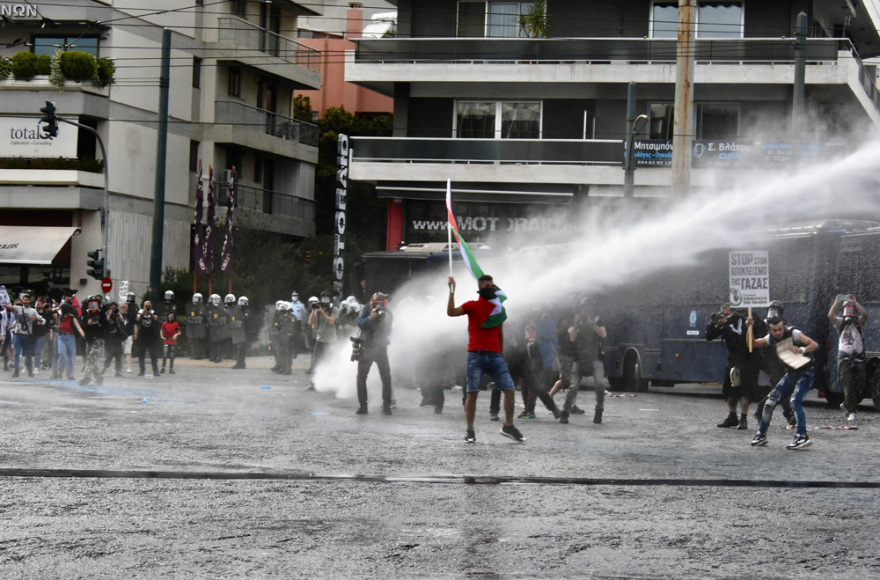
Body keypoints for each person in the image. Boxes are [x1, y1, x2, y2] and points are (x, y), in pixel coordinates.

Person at [447, 274, 524, 444]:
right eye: (487, 286)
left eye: (492, 286)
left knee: (509, 391)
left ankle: (508, 426)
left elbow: (500, 333)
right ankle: (469, 430)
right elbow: (451, 312)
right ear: (480, 289)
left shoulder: (498, 310)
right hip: (475, 356)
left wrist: (501, 355)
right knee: (472, 393)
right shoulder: (472, 306)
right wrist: (452, 291)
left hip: (495, 356)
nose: (490, 288)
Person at [747, 316, 819, 450]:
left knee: (795, 401)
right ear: (770, 329)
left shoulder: (794, 333)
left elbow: (814, 345)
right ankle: (761, 435)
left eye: (780, 329)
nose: (778, 333)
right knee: (770, 402)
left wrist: (802, 350)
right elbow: (752, 344)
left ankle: (802, 436)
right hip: (792, 373)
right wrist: (749, 327)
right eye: (774, 330)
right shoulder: (770, 338)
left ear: (783, 327)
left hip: (806, 373)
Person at [706, 303, 761, 431]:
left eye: (725, 313)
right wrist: (714, 323)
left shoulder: (741, 319)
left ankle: (743, 418)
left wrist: (727, 323)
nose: (724, 316)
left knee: (744, 390)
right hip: (734, 359)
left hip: (747, 359)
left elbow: (739, 337)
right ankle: (732, 416)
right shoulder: (726, 322)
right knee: (730, 389)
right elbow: (709, 336)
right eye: (722, 313)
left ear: (732, 311)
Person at [552, 303, 609, 425]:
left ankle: (599, 410)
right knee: (574, 386)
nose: (586, 312)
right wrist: (577, 323)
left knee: (600, 384)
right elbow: (573, 338)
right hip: (580, 357)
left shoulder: (597, 320)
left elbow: (603, 334)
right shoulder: (576, 321)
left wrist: (592, 324)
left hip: (595, 357)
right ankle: (565, 412)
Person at [829, 294, 868, 422]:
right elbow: (830, 316)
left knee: (861, 383)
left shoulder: (858, 322)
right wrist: (836, 302)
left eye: (851, 310)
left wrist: (855, 303)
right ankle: (851, 411)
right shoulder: (840, 323)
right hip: (845, 358)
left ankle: (846, 404)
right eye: (847, 310)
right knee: (848, 384)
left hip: (858, 357)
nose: (849, 313)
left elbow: (865, 315)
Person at [355, 292, 394, 415]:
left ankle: (387, 406)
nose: (378, 305)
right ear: (372, 301)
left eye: (381, 302)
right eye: (376, 302)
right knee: (361, 377)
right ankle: (363, 406)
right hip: (366, 348)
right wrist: (370, 318)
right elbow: (360, 323)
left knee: (386, 377)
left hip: (381, 349)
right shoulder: (367, 308)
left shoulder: (388, 312)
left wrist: (387, 322)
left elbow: (389, 332)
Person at [307, 293, 339, 388]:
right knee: (316, 361)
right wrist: (314, 310)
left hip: (331, 340)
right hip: (320, 339)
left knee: (330, 362)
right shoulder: (319, 308)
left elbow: (331, 321)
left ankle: (331, 383)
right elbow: (310, 321)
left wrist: (323, 312)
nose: (324, 301)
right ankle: (314, 383)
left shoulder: (334, 309)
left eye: (326, 299)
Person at [11, 294, 45, 378]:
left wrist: (35, 318)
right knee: (17, 353)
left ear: (30, 301)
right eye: (25, 300)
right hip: (18, 334)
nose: (26, 301)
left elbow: (43, 321)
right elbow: (9, 308)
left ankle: (30, 370)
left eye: (28, 300)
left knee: (28, 354)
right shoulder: (18, 309)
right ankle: (16, 370)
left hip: (27, 335)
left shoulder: (33, 311)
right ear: (22, 301)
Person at [79, 295, 106, 386]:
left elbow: (106, 325)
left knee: (91, 358)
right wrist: (88, 323)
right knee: (91, 361)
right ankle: (99, 378)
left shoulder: (102, 313)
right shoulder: (85, 314)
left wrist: (100, 325)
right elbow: (82, 325)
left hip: (98, 340)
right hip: (89, 340)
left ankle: (86, 377)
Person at [54, 295, 82, 380]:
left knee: (71, 356)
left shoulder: (72, 318)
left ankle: (70, 375)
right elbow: (58, 327)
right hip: (61, 336)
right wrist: (55, 327)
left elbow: (78, 328)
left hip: (71, 337)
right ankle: (60, 371)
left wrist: (84, 336)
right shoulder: (61, 317)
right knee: (62, 355)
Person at [134, 300, 161, 377]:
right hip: (142, 337)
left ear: (151, 306)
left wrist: (150, 313)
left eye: (149, 306)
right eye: (146, 306)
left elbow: (156, 319)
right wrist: (144, 312)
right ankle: (142, 371)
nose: (147, 307)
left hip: (151, 337)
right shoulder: (140, 312)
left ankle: (155, 371)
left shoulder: (153, 312)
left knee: (153, 355)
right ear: (143, 306)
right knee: (141, 355)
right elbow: (138, 319)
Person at [102, 301, 129, 377]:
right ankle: (104, 368)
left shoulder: (117, 314)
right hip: (110, 337)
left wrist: (118, 315)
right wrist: (110, 313)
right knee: (110, 354)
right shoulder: (107, 314)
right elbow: (106, 320)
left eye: (115, 307)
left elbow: (123, 321)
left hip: (117, 337)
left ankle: (118, 371)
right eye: (112, 307)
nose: (114, 309)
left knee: (118, 354)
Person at [230, 296, 250, 369]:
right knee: (239, 347)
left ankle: (240, 363)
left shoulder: (246, 311)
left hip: (243, 331)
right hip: (238, 330)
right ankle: (240, 363)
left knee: (241, 347)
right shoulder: (237, 309)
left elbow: (245, 319)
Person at [186, 293, 207, 360]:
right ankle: (195, 354)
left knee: (199, 341)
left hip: (200, 327)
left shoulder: (202, 307)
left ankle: (199, 355)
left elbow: (204, 317)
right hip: (194, 326)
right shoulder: (192, 307)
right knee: (195, 341)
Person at [289, 291, 306, 358]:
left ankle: (295, 352)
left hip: (298, 322)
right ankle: (291, 351)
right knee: (291, 337)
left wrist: (302, 324)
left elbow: (303, 315)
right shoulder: (290, 304)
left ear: (298, 297)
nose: (294, 297)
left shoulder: (301, 305)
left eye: (295, 296)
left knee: (297, 337)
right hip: (291, 322)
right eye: (293, 296)